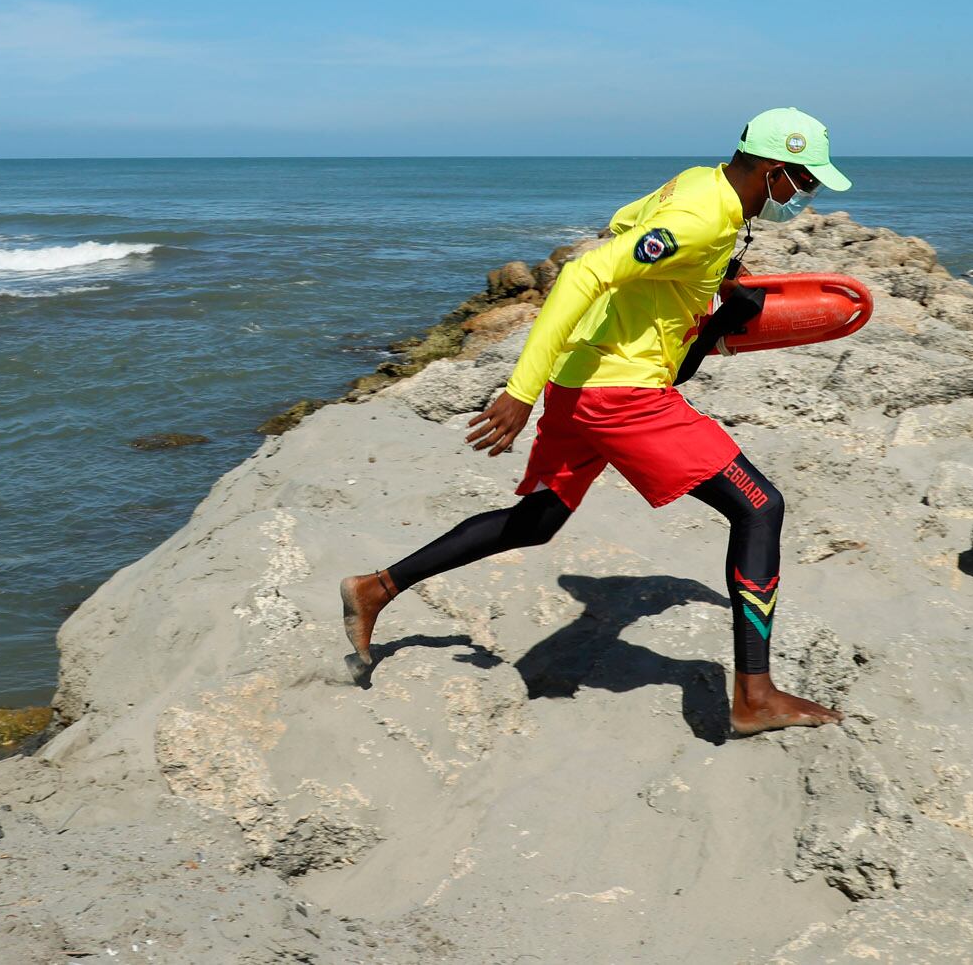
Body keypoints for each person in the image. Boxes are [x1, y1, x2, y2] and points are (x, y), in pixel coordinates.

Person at [340, 108, 852, 737]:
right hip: (621, 392)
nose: (808, 196)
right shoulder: (701, 216)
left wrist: (714, 300)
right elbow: (588, 270)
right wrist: (519, 391)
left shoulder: (698, 184)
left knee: (539, 519)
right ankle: (755, 696)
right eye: (806, 183)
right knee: (758, 507)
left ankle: (375, 588)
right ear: (776, 171)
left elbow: (625, 225)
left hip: (583, 375)